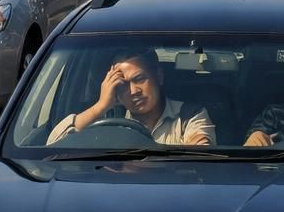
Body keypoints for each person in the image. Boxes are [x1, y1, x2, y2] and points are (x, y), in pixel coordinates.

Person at [49, 54, 214, 146]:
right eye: (122, 86)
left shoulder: (188, 116)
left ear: (159, 76)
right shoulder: (106, 122)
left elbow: (201, 157)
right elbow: (52, 147)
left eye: (140, 79)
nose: (134, 91)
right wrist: (100, 106)